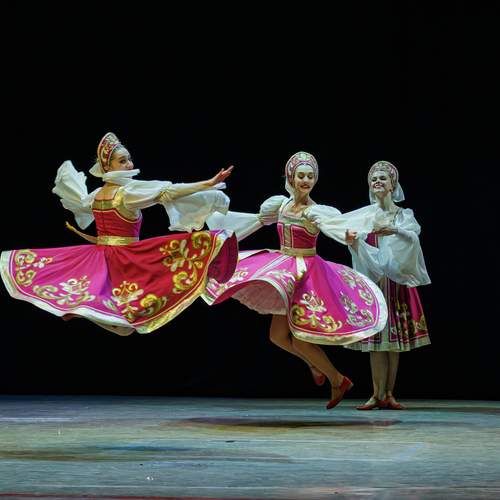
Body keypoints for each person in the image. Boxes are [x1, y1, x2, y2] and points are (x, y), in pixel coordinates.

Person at [0, 132, 238, 336]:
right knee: (130, 323)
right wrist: (209, 183)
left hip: (101, 256)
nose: (129, 165)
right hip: (124, 259)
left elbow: (82, 205)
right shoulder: (125, 194)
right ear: (107, 167)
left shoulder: (96, 195)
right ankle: (82, 310)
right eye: (122, 161)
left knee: (124, 325)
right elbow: (169, 192)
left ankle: (81, 309)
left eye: (129, 159)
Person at [204, 152, 387, 409]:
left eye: (310, 176)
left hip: (307, 275)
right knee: (277, 336)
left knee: (300, 339)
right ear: (291, 177)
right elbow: (254, 221)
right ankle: (315, 365)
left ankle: (337, 379)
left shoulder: (316, 212)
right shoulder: (280, 205)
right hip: (283, 268)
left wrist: (347, 236)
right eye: (301, 175)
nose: (306, 180)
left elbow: (335, 228)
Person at [345, 161, 431, 410]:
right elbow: (359, 246)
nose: (377, 182)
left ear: (393, 184)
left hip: (396, 283)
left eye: (383, 178)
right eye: (374, 179)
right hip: (375, 282)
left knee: (394, 343)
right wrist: (352, 242)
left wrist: (393, 229)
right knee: (376, 342)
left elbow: (413, 240)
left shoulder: (403, 215)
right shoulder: (365, 215)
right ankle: (376, 394)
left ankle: (389, 393)